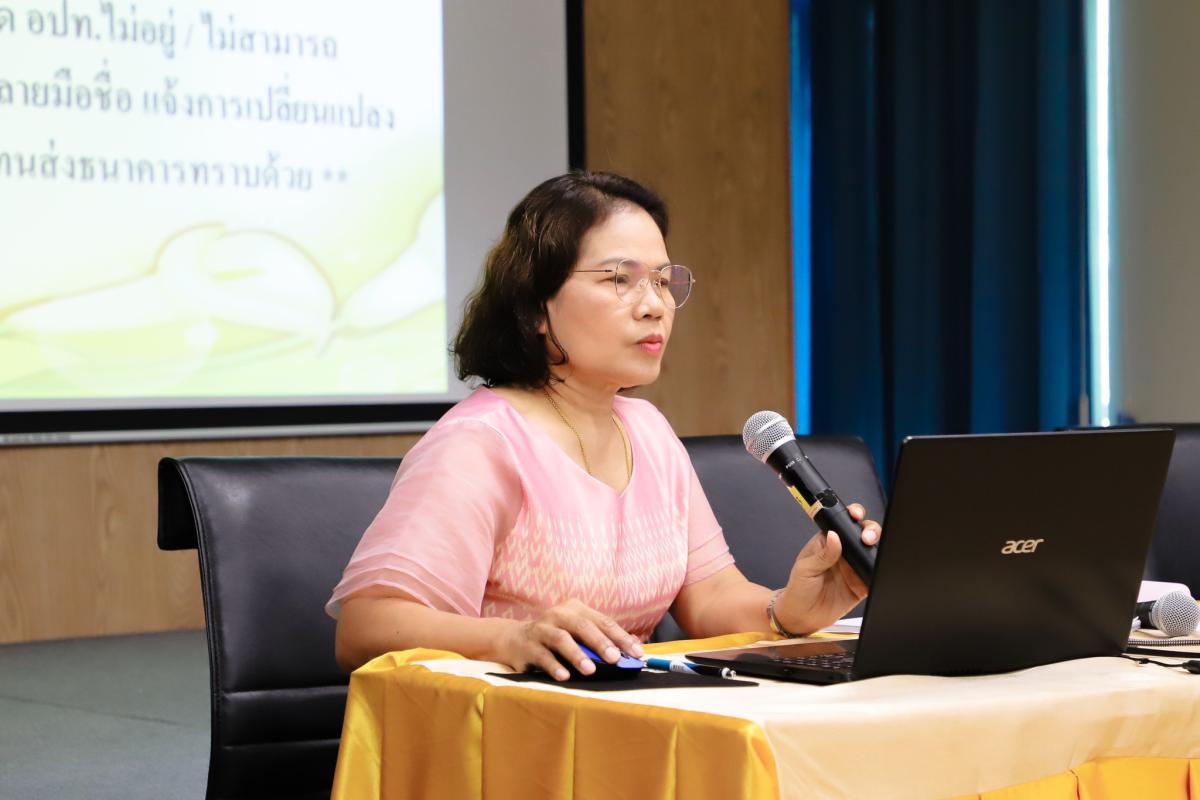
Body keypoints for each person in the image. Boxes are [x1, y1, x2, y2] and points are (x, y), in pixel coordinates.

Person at [328, 171, 880, 680]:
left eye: (662, 281)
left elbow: (710, 595)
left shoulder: (648, 431)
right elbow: (365, 626)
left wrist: (786, 611)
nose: (655, 306)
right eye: (620, 279)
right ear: (534, 308)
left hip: (630, 720)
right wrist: (509, 638)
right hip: (504, 728)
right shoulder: (480, 443)